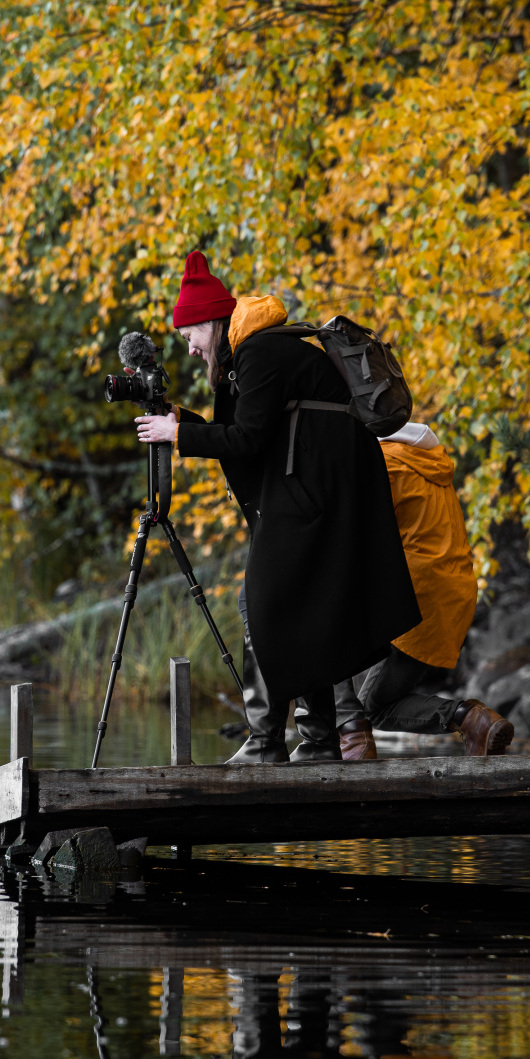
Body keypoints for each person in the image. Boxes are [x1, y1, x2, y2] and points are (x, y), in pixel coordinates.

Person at [134, 251, 419, 762]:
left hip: (323, 491)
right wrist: (180, 420)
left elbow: (247, 439)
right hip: (324, 486)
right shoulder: (253, 353)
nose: (191, 349)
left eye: (190, 335)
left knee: (265, 599)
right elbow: (245, 429)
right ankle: (318, 740)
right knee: (298, 606)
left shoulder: (259, 353)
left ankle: (269, 743)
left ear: (211, 323)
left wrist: (177, 435)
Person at [333, 422, 516, 759]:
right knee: (377, 703)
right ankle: (473, 720)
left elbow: (353, 539)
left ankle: (353, 736)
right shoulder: (429, 465)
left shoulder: (385, 465)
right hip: (452, 598)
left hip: (415, 596)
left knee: (326, 615)